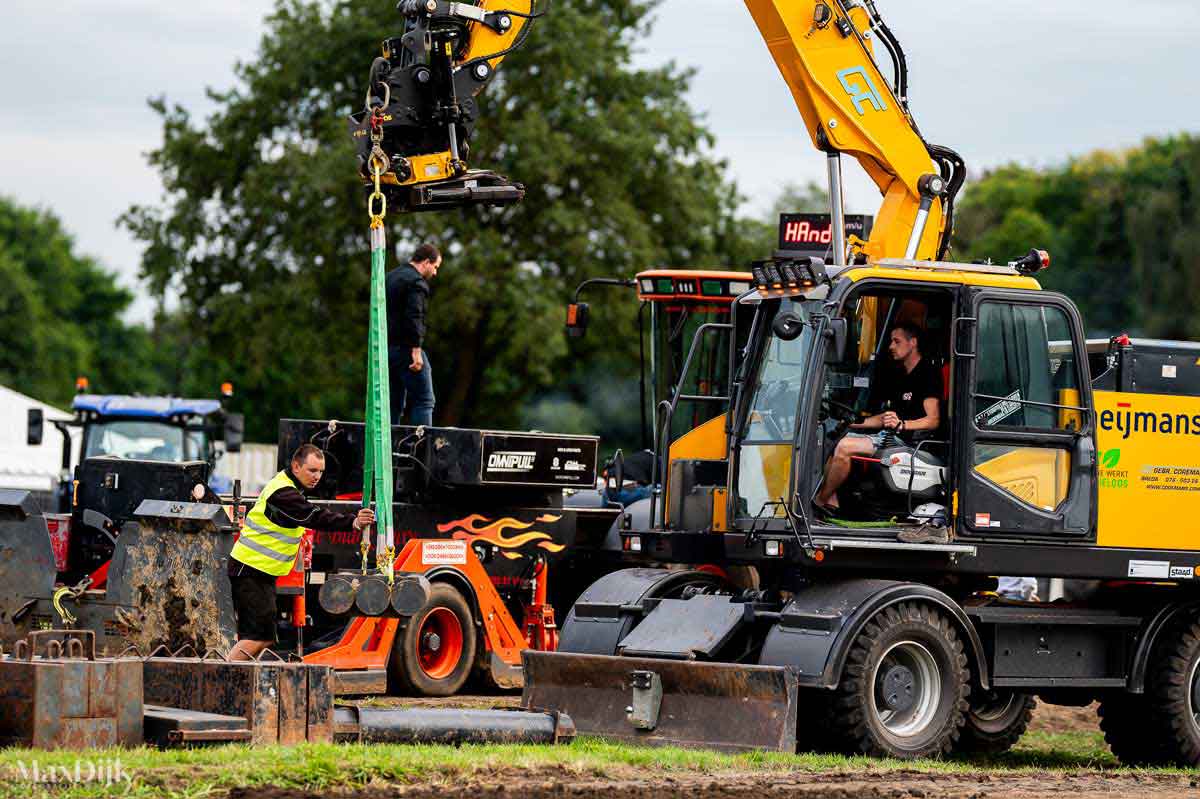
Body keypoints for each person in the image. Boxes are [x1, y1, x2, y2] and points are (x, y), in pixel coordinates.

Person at [227, 444, 375, 660]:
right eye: (312, 470)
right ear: (296, 466)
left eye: (321, 472)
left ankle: (237, 679)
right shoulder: (283, 493)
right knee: (257, 636)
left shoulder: (288, 486)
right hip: (249, 570)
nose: (317, 477)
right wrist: (352, 522)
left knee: (264, 637)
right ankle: (223, 677)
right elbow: (313, 516)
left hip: (258, 571)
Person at [815, 322, 944, 535]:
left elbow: (933, 420)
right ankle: (833, 499)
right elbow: (885, 419)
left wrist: (903, 425)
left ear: (913, 343)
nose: (891, 346)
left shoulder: (928, 374)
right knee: (834, 438)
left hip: (910, 442)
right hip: (890, 435)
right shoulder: (900, 375)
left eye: (897, 341)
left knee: (846, 447)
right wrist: (853, 422)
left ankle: (821, 500)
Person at [386, 243, 441, 427]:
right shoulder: (416, 283)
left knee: (393, 406)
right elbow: (414, 316)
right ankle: (421, 452)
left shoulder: (389, 278)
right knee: (424, 400)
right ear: (426, 262)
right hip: (407, 350)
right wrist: (416, 350)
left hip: (386, 351)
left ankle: (389, 452)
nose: (435, 273)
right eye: (435, 267)